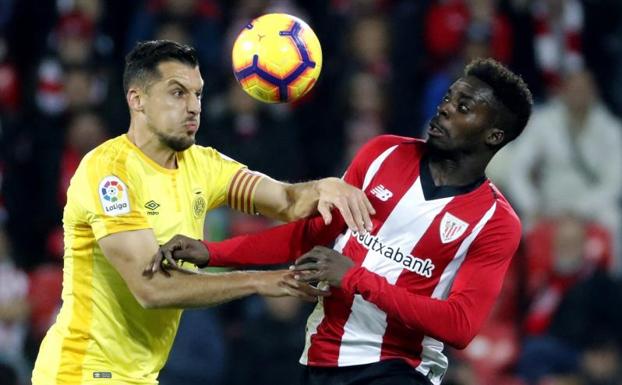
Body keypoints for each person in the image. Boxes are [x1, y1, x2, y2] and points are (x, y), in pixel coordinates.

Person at [150, 58, 534, 385]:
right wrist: (212, 253)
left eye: (464, 107)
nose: (445, 107)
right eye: (448, 97)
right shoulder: (383, 154)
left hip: (400, 367)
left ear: (494, 134)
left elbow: (460, 325)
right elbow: (312, 234)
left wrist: (355, 278)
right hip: (321, 355)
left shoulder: (495, 221)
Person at [31, 40, 375, 385]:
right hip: (82, 371)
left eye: (198, 94)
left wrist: (323, 188)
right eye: (178, 93)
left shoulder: (202, 164)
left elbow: (286, 200)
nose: (194, 107)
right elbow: (151, 289)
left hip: (139, 375)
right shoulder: (109, 172)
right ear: (137, 100)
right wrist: (260, 280)